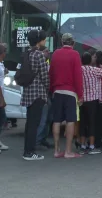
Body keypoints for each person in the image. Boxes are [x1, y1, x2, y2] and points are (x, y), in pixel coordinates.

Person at [49, 33, 83, 159]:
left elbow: (51, 73)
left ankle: (56, 150)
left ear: (62, 42)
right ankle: (68, 151)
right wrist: (80, 95)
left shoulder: (56, 54)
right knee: (70, 120)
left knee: (56, 120)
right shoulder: (75, 54)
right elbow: (78, 77)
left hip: (57, 91)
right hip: (70, 92)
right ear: (73, 43)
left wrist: (52, 89)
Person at [21, 30, 49, 161]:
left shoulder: (27, 53)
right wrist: (48, 89)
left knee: (29, 124)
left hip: (28, 93)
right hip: (38, 94)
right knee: (34, 124)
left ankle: (27, 149)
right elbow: (45, 76)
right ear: (39, 40)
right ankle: (30, 152)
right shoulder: (39, 55)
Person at [35, 45, 52, 149]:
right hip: (41, 94)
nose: (48, 53)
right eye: (46, 51)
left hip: (48, 94)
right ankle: (37, 142)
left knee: (49, 118)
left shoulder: (47, 64)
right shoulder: (40, 65)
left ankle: (43, 139)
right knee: (42, 119)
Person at [0, 43, 9, 153]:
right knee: (2, 119)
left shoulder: (1, 64)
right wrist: (2, 99)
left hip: (1, 93)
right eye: (5, 51)